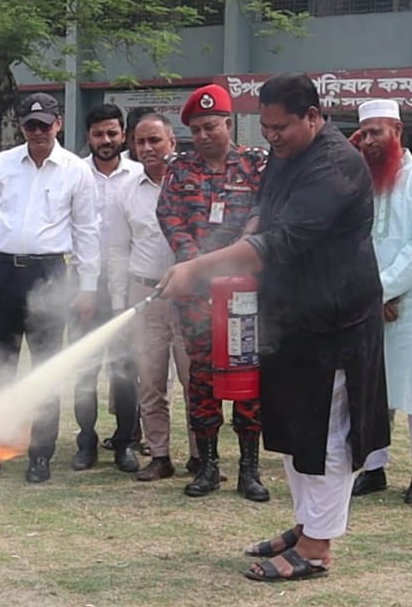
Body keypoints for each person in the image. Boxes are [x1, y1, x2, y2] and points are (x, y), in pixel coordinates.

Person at [159, 73, 388, 582]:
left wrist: (198, 269)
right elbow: (264, 211)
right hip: (293, 317)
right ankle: (307, 523)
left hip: (337, 321)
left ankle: (317, 548)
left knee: (328, 435)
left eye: (281, 126)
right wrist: (233, 241)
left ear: (313, 116)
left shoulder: (336, 165)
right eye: (264, 127)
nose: (272, 136)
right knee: (295, 429)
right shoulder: (286, 157)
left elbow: (284, 240)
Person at [0, 91, 101, 484]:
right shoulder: (2, 164)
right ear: (21, 127)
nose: (38, 131)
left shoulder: (75, 170)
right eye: (31, 125)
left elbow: (87, 231)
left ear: (59, 124)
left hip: (51, 275)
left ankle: (40, 453)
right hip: (5, 273)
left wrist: (88, 286)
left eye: (45, 124)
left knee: (45, 367)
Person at [156, 83, 269, 500]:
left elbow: (265, 211)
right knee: (201, 380)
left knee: (246, 378)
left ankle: (249, 470)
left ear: (229, 123)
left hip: (244, 293)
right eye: (196, 130)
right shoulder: (181, 170)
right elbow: (169, 217)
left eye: (210, 127)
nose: (203, 136)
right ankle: (207, 467)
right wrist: (196, 263)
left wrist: (235, 257)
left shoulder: (256, 165)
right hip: (195, 294)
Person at [348, 100, 412, 504]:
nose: (370, 141)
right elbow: (354, 241)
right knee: (372, 387)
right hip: (371, 302)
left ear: (397, 131)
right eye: (365, 133)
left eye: (378, 132)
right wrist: (371, 294)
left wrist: (382, 290)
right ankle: (374, 469)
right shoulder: (358, 181)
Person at [105, 112, 192, 482]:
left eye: (155, 140)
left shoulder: (191, 183)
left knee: (195, 380)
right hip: (145, 294)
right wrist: (118, 302)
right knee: (151, 380)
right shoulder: (125, 192)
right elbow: (117, 252)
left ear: (172, 142)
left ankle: (202, 457)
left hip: (190, 294)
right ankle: (159, 455)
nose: (147, 148)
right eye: (140, 142)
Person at [73, 102, 141, 474]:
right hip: (84, 286)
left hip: (127, 285)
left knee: (124, 370)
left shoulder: (138, 174)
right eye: (99, 134)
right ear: (89, 136)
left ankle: (125, 443)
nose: (106, 140)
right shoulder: (74, 173)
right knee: (85, 369)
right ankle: (86, 441)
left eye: (112, 133)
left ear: (123, 134)